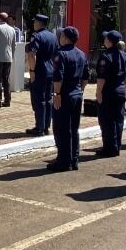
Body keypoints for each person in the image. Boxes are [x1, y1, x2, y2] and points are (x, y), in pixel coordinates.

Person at [47, 27, 88, 171]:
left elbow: (58, 77)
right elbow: (85, 77)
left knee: (61, 129)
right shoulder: (82, 54)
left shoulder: (61, 54)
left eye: (61, 35)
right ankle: (73, 159)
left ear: (65, 38)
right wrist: (80, 91)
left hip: (64, 96)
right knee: (73, 128)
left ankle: (63, 162)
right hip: (76, 95)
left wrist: (57, 94)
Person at [94, 30, 126, 156]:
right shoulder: (125, 55)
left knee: (107, 120)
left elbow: (101, 77)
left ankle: (109, 148)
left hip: (108, 92)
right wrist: (122, 85)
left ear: (109, 41)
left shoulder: (105, 56)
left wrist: (98, 92)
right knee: (118, 119)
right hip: (120, 91)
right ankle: (116, 145)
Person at [25, 14, 59, 136]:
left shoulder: (37, 36)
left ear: (39, 23)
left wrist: (32, 71)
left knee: (38, 100)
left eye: (35, 22)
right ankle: (46, 126)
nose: (34, 24)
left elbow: (31, 54)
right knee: (48, 99)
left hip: (39, 71)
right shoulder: (53, 36)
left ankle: (39, 127)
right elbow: (56, 55)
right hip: (50, 70)